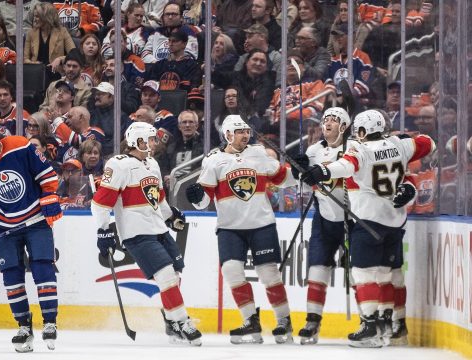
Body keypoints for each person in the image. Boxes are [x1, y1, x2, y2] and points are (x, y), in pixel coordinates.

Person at [301, 109, 435, 347]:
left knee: (363, 273)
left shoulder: (361, 149)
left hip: (367, 220)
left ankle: (370, 326)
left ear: (362, 131)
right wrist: (404, 139)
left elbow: (346, 166)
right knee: (388, 273)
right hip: (394, 220)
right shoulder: (399, 145)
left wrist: (322, 170)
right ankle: (390, 325)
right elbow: (428, 143)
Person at [185, 115, 297, 345]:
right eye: (239, 131)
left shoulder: (258, 153)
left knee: (269, 273)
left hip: (261, 224)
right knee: (232, 272)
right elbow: (204, 200)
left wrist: (298, 167)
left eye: (246, 131)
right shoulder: (214, 160)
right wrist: (197, 198)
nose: (245, 135)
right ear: (227, 134)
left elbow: (283, 178)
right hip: (229, 228)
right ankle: (250, 321)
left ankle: (284, 319)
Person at [91, 121, 202, 345]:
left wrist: (170, 215)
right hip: (136, 233)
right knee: (166, 276)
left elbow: (158, 198)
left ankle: (171, 323)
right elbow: (100, 204)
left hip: (158, 229)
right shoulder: (119, 165)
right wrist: (103, 231)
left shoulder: (152, 164)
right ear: (137, 141)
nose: (154, 143)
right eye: (150, 139)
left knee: (175, 276)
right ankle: (182, 321)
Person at [0, 116, 63, 352]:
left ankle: (49, 322)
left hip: (36, 220)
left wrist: (49, 197)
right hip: (5, 227)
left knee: (42, 268)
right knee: (12, 277)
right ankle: (24, 327)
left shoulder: (19, 145)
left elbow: (45, 174)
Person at [293, 107, 353, 345]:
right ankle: (312, 321)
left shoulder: (353, 149)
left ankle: (369, 320)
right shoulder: (313, 150)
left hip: (352, 218)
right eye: (325, 119)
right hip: (324, 218)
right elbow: (306, 186)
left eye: (334, 120)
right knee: (317, 269)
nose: (327, 123)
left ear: (344, 126)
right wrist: (301, 171)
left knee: (359, 272)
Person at [24, 2, 76, 66]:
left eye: (37, 16)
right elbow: (25, 58)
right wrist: (32, 63)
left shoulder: (62, 31)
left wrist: (60, 59)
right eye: (34, 16)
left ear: (46, 17)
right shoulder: (31, 33)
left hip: (56, 71)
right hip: (36, 71)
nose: (34, 19)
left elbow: (74, 54)